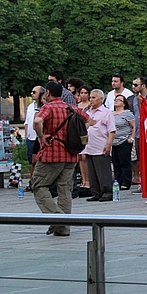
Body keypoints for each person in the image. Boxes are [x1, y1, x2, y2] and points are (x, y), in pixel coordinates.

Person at [32, 81, 92, 237]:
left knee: (39, 185)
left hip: (51, 153)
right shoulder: (71, 107)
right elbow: (89, 119)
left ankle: (58, 218)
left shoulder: (48, 107)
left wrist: (41, 136)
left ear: (48, 93)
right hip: (70, 154)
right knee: (65, 190)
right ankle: (64, 228)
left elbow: (37, 121)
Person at [82, 89, 116, 202]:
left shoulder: (107, 112)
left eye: (93, 97)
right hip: (89, 145)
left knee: (103, 170)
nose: (91, 100)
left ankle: (107, 191)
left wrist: (109, 144)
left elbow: (111, 130)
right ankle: (96, 192)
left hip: (101, 145)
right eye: (90, 97)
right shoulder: (88, 112)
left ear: (101, 99)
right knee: (92, 171)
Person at [110, 94, 135, 191]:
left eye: (119, 100)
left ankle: (126, 182)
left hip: (124, 140)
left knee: (125, 162)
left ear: (124, 104)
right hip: (114, 141)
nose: (116, 101)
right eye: (116, 99)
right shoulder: (111, 114)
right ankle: (118, 181)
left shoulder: (127, 113)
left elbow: (133, 126)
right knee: (116, 162)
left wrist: (131, 138)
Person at [128, 77, 147, 193]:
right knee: (140, 159)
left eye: (136, 85)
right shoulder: (135, 99)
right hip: (138, 132)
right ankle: (143, 183)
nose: (133, 87)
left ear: (143, 86)